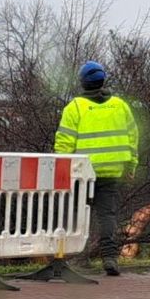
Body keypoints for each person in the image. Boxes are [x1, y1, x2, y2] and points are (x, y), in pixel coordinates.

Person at [54, 60, 138, 276]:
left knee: (77, 214)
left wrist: (61, 168)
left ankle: (77, 257)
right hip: (111, 171)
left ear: (82, 83)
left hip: (82, 172)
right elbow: (133, 137)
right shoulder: (120, 105)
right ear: (103, 80)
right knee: (106, 215)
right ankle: (110, 257)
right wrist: (132, 164)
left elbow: (64, 142)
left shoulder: (75, 107)